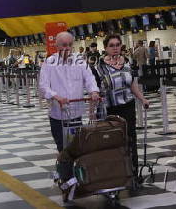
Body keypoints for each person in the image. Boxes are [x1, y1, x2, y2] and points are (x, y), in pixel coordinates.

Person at [96, 35, 149, 179]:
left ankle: (133, 173)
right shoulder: (98, 67)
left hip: (127, 106)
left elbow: (132, 84)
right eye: (112, 45)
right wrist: (91, 113)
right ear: (106, 48)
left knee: (130, 139)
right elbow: (94, 91)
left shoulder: (127, 62)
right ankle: (115, 175)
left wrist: (142, 98)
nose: (115, 48)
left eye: (118, 45)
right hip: (109, 109)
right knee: (112, 142)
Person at [39, 31, 100, 153]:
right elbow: (43, 86)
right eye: (64, 45)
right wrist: (56, 97)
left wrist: (93, 91)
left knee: (77, 147)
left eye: (70, 45)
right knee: (63, 148)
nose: (67, 48)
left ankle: (75, 171)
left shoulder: (80, 61)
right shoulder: (49, 63)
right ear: (57, 46)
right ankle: (63, 171)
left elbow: (89, 78)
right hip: (58, 114)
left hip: (76, 113)